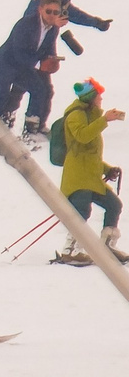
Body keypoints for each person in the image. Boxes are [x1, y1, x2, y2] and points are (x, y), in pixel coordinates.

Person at [0, 0, 70, 144]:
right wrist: (40, 64)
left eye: (56, 12)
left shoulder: (53, 29)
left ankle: (31, 130)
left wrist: (52, 61)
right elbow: (19, 52)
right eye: (48, 11)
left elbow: (48, 49)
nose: (51, 15)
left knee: (40, 90)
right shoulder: (25, 24)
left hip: (24, 68)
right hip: (5, 66)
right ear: (40, 9)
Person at [55, 81, 124, 259]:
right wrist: (104, 120)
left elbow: (90, 154)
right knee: (82, 212)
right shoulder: (75, 115)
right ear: (91, 98)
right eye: (98, 96)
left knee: (114, 205)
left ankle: (107, 247)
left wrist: (107, 169)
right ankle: (70, 250)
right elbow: (83, 137)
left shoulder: (89, 116)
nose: (101, 99)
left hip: (90, 178)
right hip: (78, 178)